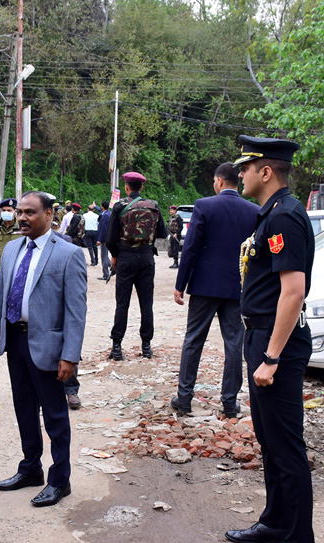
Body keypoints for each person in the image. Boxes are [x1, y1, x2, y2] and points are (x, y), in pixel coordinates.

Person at [225, 136, 315, 543]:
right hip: (260, 334)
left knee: (286, 444)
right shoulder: (273, 213)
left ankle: (296, 535)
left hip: (276, 342)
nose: (239, 174)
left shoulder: (283, 217)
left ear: (265, 171)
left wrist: (272, 356)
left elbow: (293, 291)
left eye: (245, 168)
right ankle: (275, 524)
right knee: (271, 440)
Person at [0, 191, 87, 508]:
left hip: (49, 347)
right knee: (24, 408)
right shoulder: (12, 248)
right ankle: (30, 469)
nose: (22, 217)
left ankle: (60, 480)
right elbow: (0, 297)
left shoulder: (68, 254)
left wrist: (70, 356)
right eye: (20, 212)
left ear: (49, 216)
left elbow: (76, 312)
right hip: (14, 340)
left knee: (55, 416)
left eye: (29, 212)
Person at [170, 162, 260, 419]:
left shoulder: (205, 205)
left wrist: (180, 285)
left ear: (219, 181)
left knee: (193, 340)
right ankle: (230, 403)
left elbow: (191, 247)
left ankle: (184, 398)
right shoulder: (253, 211)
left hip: (204, 287)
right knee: (234, 345)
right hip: (237, 288)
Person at [106, 172, 169, 360]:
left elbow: (110, 238)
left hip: (125, 257)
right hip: (147, 258)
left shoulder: (120, 206)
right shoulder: (154, 206)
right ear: (141, 187)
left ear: (127, 187)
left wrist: (115, 257)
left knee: (122, 303)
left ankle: (117, 347)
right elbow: (163, 233)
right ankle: (146, 346)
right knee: (146, 303)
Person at [96, 200, 112, 280]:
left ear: (102, 206)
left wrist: (100, 240)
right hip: (107, 237)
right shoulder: (107, 213)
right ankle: (113, 267)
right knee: (105, 255)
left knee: (103, 256)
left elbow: (104, 229)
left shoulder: (105, 215)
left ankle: (106, 274)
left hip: (105, 238)